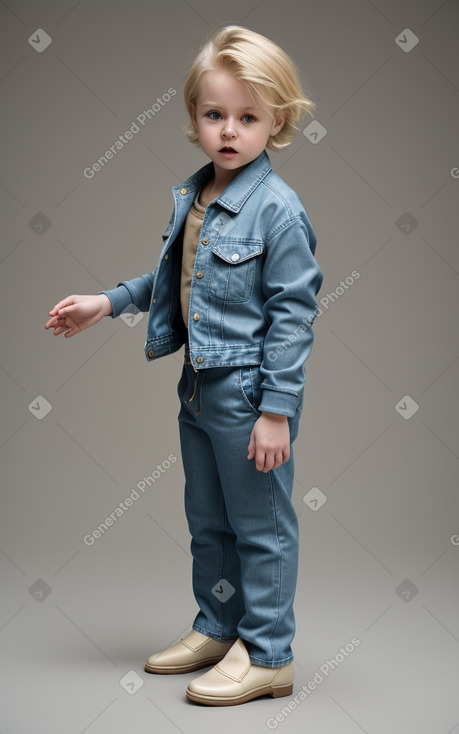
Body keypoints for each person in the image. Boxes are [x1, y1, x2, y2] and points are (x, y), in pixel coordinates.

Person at [45, 24, 324, 707]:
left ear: (277, 122)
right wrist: (106, 302)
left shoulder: (278, 213)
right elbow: (173, 279)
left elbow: (293, 317)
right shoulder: (196, 197)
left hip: (247, 396)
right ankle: (218, 623)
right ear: (193, 118)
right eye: (213, 114)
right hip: (197, 390)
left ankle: (267, 652)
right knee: (209, 521)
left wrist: (275, 412)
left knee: (260, 526)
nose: (228, 130)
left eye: (248, 117)